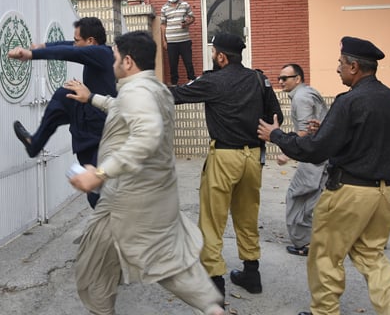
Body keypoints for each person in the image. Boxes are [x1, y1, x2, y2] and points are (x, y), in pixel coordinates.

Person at [64, 31, 224, 315]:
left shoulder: (137, 92)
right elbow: (123, 110)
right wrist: (92, 99)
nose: (112, 63)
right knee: (157, 260)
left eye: (114, 57)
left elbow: (146, 135)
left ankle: (212, 309)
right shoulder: (154, 89)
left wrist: (100, 173)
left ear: (127, 61)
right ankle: (212, 308)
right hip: (149, 196)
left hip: (130, 200)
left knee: (103, 268)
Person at [258, 37, 390, 315]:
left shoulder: (349, 100)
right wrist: (327, 129)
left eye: (341, 63)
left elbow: (315, 151)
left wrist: (276, 135)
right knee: (372, 257)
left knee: (325, 259)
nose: (337, 68)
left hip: (349, 194)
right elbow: (366, 139)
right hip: (386, 194)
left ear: (354, 66)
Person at [169, 32, 283, 298]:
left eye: (213, 52)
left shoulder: (213, 81)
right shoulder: (258, 78)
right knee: (247, 215)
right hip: (253, 157)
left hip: (224, 157)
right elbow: (274, 114)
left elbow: (176, 95)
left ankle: (214, 280)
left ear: (221, 56)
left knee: (212, 219)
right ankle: (251, 273)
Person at [8, 17, 116, 209]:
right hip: (91, 120)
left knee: (97, 192)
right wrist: (44, 45)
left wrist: (31, 54)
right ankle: (35, 143)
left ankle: (111, 225)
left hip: (98, 130)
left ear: (90, 41)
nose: (74, 43)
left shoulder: (100, 53)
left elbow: (67, 51)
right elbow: (69, 45)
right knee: (63, 96)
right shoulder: (99, 51)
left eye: (77, 40)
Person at [276, 64, 329, 257]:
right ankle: (310, 240)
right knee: (313, 199)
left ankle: (303, 243)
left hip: (313, 156)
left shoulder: (301, 97)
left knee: (297, 195)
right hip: (321, 154)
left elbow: (306, 131)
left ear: (297, 79)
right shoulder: (308, 93)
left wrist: (288, 153)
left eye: (285, 78)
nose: (280, 82)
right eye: (279, 78)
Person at [160, 0, 196, 85]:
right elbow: (163, 25)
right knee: (173, 65)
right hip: (171, 42)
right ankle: (174, 85)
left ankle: (192, 82)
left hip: (185, 40)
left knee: (188, 63)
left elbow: (193, 18)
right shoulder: (164, 8)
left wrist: (187, 23)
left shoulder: (185, 5)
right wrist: (164, 41)